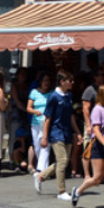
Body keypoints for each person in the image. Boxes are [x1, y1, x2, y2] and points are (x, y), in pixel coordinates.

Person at [72, 84, 104, 208]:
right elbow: (96, 131)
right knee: (97, 178)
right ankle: (78, 191)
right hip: (100, 144)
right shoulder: (97, 110)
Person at [35, 70, 81, 200]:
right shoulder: (54, 97)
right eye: (69, 81)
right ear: (62, 82)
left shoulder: (69, 96)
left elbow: (71, 116)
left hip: (67, 132)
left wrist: (77, 132)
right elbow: (48, 118)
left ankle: (41, 176)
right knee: (63, 161)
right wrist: (44, 137)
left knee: (62, 162)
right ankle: (61, 191)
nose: (72, 83)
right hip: (56, 132)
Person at [81, 68, 104, 181]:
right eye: (100, 75)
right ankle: (87, 175)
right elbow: (85, 109)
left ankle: (100, 174)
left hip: (102, 124)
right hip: (92, 123)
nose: (102, 77)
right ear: (95, 77)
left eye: (103, 75)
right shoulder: (90, 90)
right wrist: (88, 125)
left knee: (101, 149)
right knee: (88, 148)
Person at [27, 71, 52, 176]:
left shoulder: (51, 94)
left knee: (45, 145)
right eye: (44, 81)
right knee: (37, 145)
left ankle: (41, 169)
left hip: (47, 122)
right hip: (36, 122)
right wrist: (35, 112)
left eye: (48, 81)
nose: (46, 83)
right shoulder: (34, 92)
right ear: (40, 82)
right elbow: (28, 108)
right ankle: (43, 169)